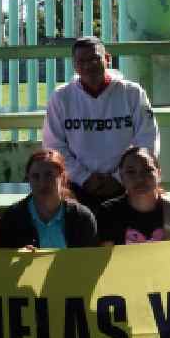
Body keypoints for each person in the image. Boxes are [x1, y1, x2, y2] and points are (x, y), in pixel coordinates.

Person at [42, 36, 159, 214]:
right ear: (74, 65)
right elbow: (54, 147)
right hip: (78, 185)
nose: (88, 65)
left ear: (107, 59)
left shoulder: (132, 93)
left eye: (94, 58)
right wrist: (85, 178)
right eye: (82, 61)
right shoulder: (61, 97)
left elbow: (147, 140)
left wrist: (120, 177)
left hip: (128, 183)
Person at [0, 148, 97, 250]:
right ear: (28, 180)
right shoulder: (12, 219)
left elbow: (91, 260)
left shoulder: (82, 218)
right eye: (35, 176)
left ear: (62, 177)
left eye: (49, 175)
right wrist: (16, 256)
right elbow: (0, 260)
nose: (42, 183)